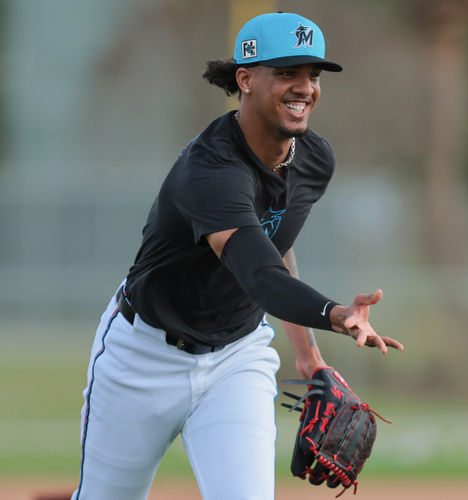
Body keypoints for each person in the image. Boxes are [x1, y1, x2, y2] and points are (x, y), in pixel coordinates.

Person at [72, 12, 403, 500]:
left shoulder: (313, 159)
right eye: (287, 73)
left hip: (236, 358)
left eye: (312, 75)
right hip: (141, 358)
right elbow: (260, 275)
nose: (304, 87)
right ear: (245, 79)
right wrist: (334, 314)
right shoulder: (211, 171)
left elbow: (277, 246)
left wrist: (308, 355)